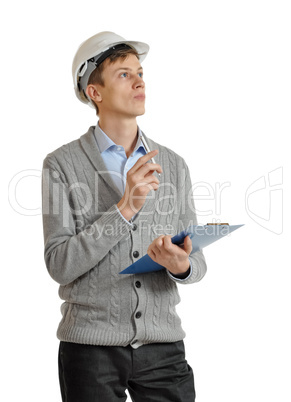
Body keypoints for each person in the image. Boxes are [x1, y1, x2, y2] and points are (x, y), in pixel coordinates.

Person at [42, 31, 207, 402]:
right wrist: (125, 206)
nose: (139, 82)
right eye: (124, 74)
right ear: (94, 93)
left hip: (163, 346)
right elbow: (59, 263)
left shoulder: (174, 165)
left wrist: (181, 265)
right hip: (90, 349)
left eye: (141, 73)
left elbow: (196, 262)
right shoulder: (61, 165)